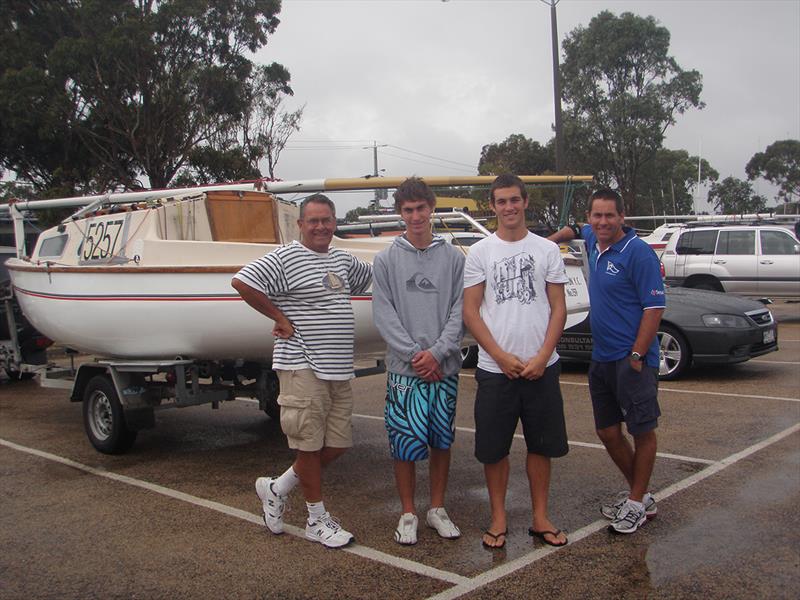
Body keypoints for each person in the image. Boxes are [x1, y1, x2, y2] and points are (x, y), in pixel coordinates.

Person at [231, 194, 372, 548]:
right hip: (302, 364)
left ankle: (277, 488)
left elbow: (368, 279)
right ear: (301, 224)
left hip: (339, 368)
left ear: (334, 222)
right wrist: (279, 317)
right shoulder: (286, 257)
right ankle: (316, 519)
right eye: (313, 221)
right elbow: (243, 282)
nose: (321, 227)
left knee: (337, 444)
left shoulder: (343, 260)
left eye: (327, 220)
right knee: (308, 446)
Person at [462, 174, 570, 550]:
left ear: (525, 202)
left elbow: (559, 308)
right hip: (496, 371)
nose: (509, 207)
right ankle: (498, 518)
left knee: (541, 446)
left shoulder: (547, 250)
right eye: (501, 201)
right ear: (492, 206)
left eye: (514, 200)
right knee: (494, 449)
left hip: (542, 368)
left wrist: (542, 356)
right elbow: (471, 312)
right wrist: (500, 356)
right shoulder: (480, 252)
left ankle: (540, 517)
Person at [549, 188, 665, 534]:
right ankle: (639, 496)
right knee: (607, 431)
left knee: (642, 431)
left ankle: (634, 502)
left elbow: (654, 308)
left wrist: (637, 354)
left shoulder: (638, 253)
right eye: (596, 216)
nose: (602, 222)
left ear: (622, 217)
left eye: (609, 216)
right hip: (600, 357)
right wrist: (545, 244)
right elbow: (571, 228)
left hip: (632, 359)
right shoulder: (592, 238)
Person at [372, 177, 465, 545]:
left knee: (442, 440)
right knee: (404, 443)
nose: (415, 216)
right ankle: (408, 511)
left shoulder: (453, 257)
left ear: (432, 209)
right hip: (403, 371)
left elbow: (460, 310)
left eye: (421, 208)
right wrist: (415, 356)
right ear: (400, 213)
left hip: (444, 367)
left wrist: (438, 352)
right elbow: (384, 314)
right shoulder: (386, 260)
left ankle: (437, 508)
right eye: (408, 210)